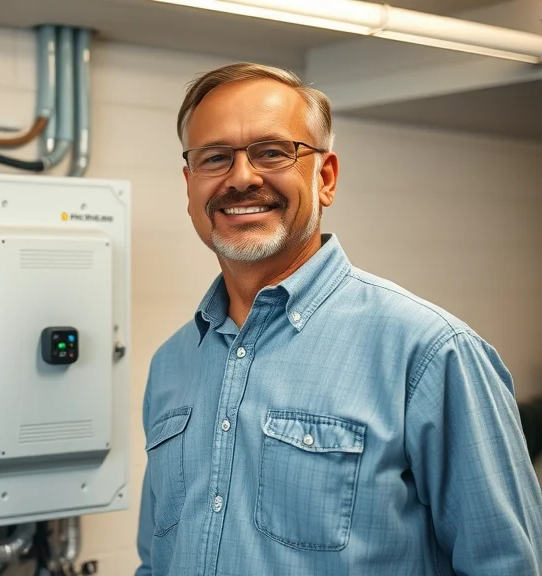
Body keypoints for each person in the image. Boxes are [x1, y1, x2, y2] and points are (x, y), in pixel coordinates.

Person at [135, 62, 542, 575]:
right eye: (215, 158)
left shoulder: (431, 353)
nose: (241, 177)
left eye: (272, 152)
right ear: (190, 185)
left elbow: (506, 566)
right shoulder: (172, 365)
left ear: (325, 178)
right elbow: (157, 561)